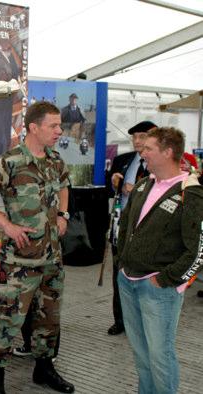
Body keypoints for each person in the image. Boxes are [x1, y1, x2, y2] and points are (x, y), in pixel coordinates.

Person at [0, 101, 74, 394]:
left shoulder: (55, 159)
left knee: (49, 318)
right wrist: (7, 225)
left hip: (52, 258)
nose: (59, 130)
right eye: (53, 125)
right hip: (19, 262)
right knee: (7, 320)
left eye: (59, 124)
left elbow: (65, 185)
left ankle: (44, 369)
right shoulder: (11, 161)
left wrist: (64, 214)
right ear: (33, 127)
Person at [115, 127, 203, 394]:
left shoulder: (191, 192)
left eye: (149, 148)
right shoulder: (144, 184)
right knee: (142, 356)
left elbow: (198, 250)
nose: (142, 152)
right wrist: (122, 262)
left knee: (160, 357)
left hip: (157, 288)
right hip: (128, 281)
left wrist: (167, 279)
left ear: (168, 152)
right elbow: (126, 227)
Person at [105, 120, 156, 336]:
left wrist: (135, 190)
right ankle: (121, 320)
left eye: (142, 136)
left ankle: (145, 322)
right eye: (133, 137)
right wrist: (114, 182)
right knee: (120, 276)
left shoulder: (160, 163)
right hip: (122, 228)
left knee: (145, 276)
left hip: (148, 230)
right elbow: (112, 191)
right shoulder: (122, 161)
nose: (136, 141)